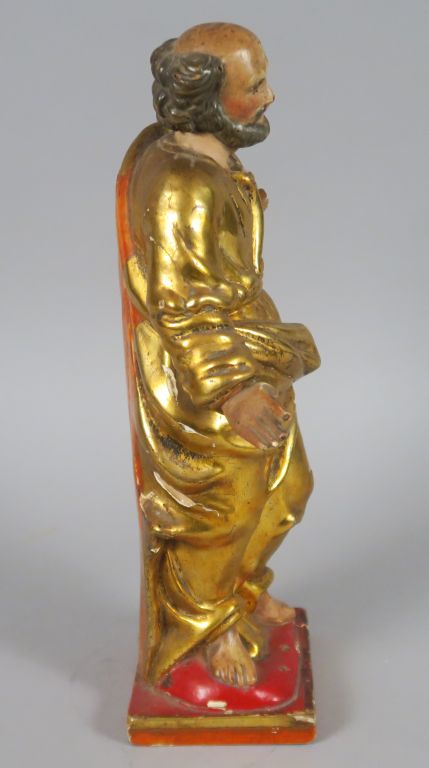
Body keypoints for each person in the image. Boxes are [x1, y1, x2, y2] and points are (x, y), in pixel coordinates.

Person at [116, 22, 320, 689]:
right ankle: (206, 628)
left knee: (286, 490)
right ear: (207, 99)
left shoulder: (208, 159)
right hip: (203, 375)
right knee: (222, 514)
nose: (268, 96)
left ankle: (242, 590)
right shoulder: (183, 183)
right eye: (254, 85)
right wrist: (234, 393)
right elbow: (180, 306)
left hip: (244, 344)